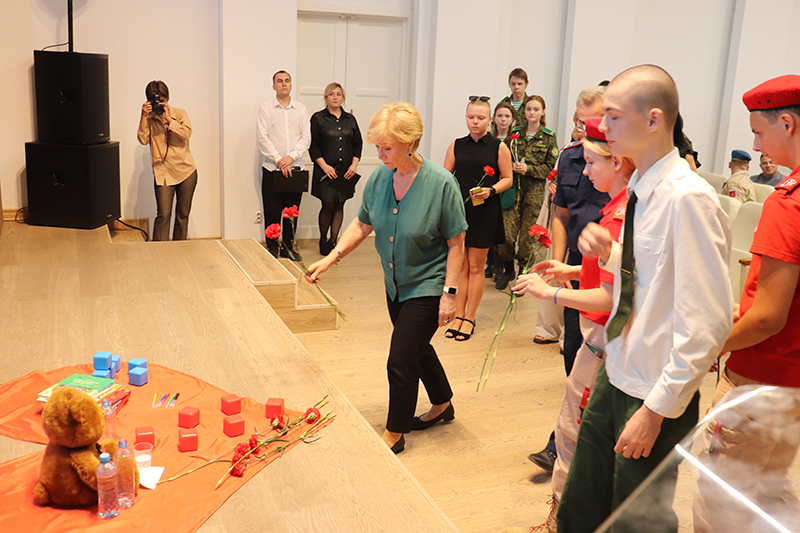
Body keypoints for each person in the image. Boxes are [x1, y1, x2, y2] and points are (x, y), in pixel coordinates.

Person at [557, 64, 732, 533]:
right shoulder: (642, 188)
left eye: (613, 116)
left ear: (653, 120)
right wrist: (613, 255)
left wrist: (654, 411)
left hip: (652, 389)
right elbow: (655, 280)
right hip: (619, 369)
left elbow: (709, 324)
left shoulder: (688, 199)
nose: (602, 126)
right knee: (581, 505)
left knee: (636, 521)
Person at [305, 102, 467, 454]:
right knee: (417, 348)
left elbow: (457, 242)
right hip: (395, 284)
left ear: (411, 143)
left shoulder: (441, 184)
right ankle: (442, 403)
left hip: (428, 283)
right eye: (377, 146)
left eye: (387, 147)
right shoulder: (380, 179)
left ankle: (395, 432)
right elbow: (363, 223)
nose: (379, 154)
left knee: (400, 359)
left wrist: (450, 294)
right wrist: (332, 257)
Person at [513, 118, 633, 530]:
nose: (584, 172)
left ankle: (566, 520)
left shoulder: (622, 215)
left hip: (606, 339)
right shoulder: (617, 206)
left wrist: (551, 294)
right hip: (599, 337)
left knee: (573, 432)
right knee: (573, 429)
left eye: (591, 162)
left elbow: (613, 297)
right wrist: (572, 270)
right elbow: (613, 275)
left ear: (616, 161)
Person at [693, 74, 800, 533]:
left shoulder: (789, 202)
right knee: (771, 493)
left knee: (721, 503)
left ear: (787, 125)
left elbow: (769, 318)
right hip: (792, 382)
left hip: (759, 378)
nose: (755, 145)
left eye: (759, 131)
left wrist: (709, 346)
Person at [528, 86, 608, 474]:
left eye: (590, 122)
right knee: (573, 350)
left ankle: (564, 442)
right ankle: (570, 436)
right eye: (578, 121)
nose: (582, 129)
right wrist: (557, 264)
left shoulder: (622, 163)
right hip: (576, 266)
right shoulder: (570, 156)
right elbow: (560, 213)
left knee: (593, 357)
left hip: (608, 270)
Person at [442, 96, 513, 341]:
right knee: (460, 265)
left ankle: (470, 317)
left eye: (480, 118)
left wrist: (491, 190)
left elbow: (508, 178)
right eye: (471, 117)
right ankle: (458, 315)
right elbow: (445, 177)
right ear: (466, 117)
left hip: (485, 211)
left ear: (489, 119)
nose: (475, 121)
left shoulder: (498, 147)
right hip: (459, 211)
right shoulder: (456, 145)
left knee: (475, 265)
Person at [495, 95, 559, 290]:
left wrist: (529, 169)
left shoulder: (548, 137)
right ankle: (508, 269)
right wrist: (510, 167)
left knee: (526, 240)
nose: (531, 113)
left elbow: (551, 167)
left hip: (534, 193)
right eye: (529, 109)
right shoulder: (514, 134)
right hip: (512, 190)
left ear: (542, 112)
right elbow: (502, 156)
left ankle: (523, 275)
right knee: (506, 236)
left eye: (536, 109)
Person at [257, 70, 311, 259]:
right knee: (272, 211)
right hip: (272, 169)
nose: (284, 83)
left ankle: (288, 248)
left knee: (291, 213)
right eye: (279, 81)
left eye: (287, 80)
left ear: (291, 84)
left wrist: (291, 157)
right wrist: (279, 160)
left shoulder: (301, 109)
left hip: (295, 169)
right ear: (274, 86)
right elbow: (262, 138)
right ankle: (272, 247)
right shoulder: (265, 108)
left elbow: (306, 137)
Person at [137, 80, 197, 241]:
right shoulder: (149, 119)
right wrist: (143, 117)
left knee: (182, 215)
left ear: (167, 99)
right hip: (162, 172)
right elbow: (143, 139)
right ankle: (159, 252)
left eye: (162, 100)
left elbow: (186, 134)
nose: (159, 104)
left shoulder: (180, 114)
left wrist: (169, 121)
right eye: (155, 101)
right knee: (163, 214)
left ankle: (179, 251)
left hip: (186, 171)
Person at [309, 82, 363, 255]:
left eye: (338, 94)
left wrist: (354, 165)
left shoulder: (350, 119)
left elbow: (357, 143)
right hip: (325, 171)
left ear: (343, 98)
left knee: (340, 204)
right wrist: (324, 166)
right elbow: (313, 145)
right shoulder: (318, 118)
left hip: (345, 171)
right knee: (328, 204)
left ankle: (333, 240)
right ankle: (323, 239)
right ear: (326, 97)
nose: (335, 97)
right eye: (331, 94)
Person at [485, 101, 517, 281]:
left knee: (506, 233)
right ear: (494, 118)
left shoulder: (516, 141)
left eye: (507, 116)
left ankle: (507, 267)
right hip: (490, 188)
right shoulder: (488, 138)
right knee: (489, 228)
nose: (503, 119)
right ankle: (493, 264)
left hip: (509, 189)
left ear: (512, 119)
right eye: (499, 116)